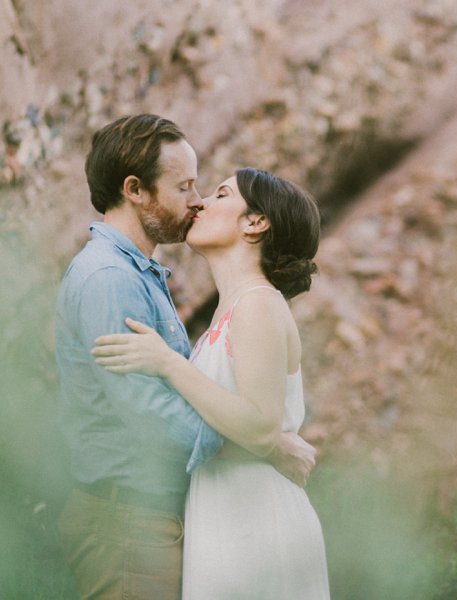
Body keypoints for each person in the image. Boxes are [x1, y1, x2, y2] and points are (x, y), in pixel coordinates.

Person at [55, 114, 316, 600]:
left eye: (210, 190)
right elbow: (154, 418)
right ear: (135, 189)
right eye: (185, 187)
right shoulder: (110, 278)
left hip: (170, 521)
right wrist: (267, 445)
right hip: (130, 522)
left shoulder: (149, 278)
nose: (196, 200)